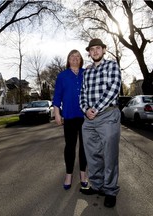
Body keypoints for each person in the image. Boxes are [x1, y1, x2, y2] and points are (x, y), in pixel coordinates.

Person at [79, 38, 121, 208]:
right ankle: (97, 185)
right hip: (89, 119)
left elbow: (114, 88)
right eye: (92, 49)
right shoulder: (87, 72)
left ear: (104, 50)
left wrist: (95, 108)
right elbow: (82, 93)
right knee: (92, 154)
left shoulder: (111, 66)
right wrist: (85, 109)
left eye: (98, 48)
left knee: (109, 155)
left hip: (108, 115)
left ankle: (110, 190)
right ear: (89, 53)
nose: (95, 51)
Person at [53, 49, 88, 191]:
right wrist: (57, 113)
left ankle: (83, 174)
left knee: (85, 147)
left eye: (78, 56)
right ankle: (68, 175)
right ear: (68, 60)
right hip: (69, 116)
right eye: (72, 56)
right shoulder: (62, 76)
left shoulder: (86, 73)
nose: (75, 58)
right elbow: (57, 96)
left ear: (81, 60)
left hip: (86, 116)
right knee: (70, 146)